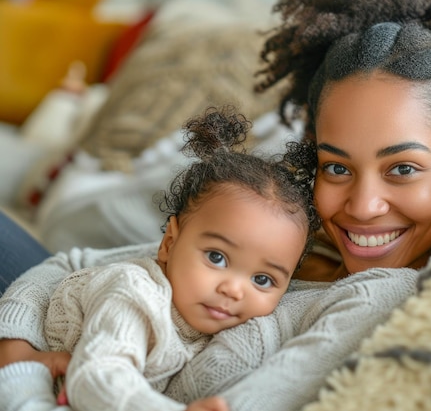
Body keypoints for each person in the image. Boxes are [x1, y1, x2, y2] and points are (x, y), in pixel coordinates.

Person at [0, 0, 431, 410]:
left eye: (401, 169)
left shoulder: (391, 297)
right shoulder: (283, 225)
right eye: (337, 167)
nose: (363, 205)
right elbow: (91, 265)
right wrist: (17, 348)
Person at [0, 105, 320, 411]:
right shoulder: (135, 293)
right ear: (168, 242)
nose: (234, 290)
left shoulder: (221, 322)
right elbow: (97, 376)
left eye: (262, 280)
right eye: (217, 258)